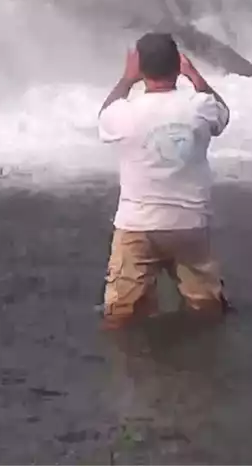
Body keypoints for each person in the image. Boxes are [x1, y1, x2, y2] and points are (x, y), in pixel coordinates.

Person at [96, 32, 231, 330]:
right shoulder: (199, 107)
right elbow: (222, 114)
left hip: (137, 224)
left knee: (120, 314)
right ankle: (208, 363)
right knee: (207, 308)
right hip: (189, 223)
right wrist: (195, 75)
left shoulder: (124, 113)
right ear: (178, 66)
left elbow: (103, 118)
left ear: (140, 68)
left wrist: (126, 80)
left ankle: (127, 368)